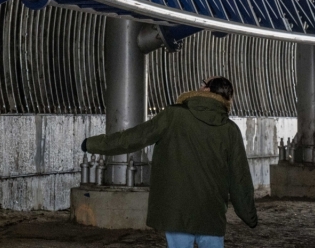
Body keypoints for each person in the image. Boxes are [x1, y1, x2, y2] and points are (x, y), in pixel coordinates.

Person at [81, 76, 258, 248]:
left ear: (207, 89)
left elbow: (134, 137)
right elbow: (239, 176)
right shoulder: (230, 129)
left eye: (203, 83)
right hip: (211, 212)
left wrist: (93, 144)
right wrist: (249, 216)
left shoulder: (174, 116)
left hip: (176, 209)